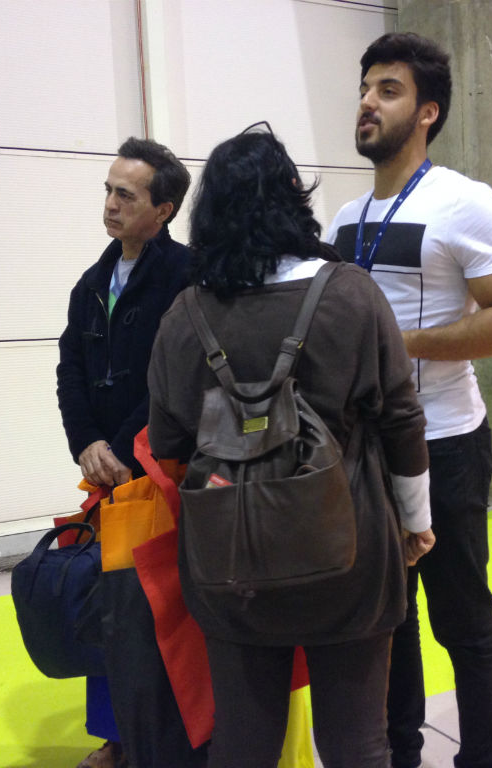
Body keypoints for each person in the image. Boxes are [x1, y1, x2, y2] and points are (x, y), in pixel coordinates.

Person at [147, 123, 434, 768]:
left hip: (229, 559)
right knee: (358, 743)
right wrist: (415, 522)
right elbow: (401, 419)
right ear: (293, 200)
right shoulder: (351, 294)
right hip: (349, 552)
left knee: (244, 742)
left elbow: (168, 442)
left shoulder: (184, 316)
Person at [327, 33, 492, 768]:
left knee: (463, 622)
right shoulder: (343, 220)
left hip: (445, 443)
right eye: (365, 88)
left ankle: (486, 758)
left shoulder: (463, 203)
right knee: (389, 623)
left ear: (427, 112)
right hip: (366, 452)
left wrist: (399, 347)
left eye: (388, 90)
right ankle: (400, 755)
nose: (367, 102)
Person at [55, 137, 201, 768]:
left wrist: (117, 447)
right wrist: (86, 444)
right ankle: (117, 735)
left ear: (163, 210)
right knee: (109, 608)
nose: (111, 205)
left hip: (163, 471)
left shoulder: (187, 276)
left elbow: (177, 379)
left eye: (126, 195)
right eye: (108, 191)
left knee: (161, 612)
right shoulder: (92, 283)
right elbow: (70, 369)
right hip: (106, 477)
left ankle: (170, 735)